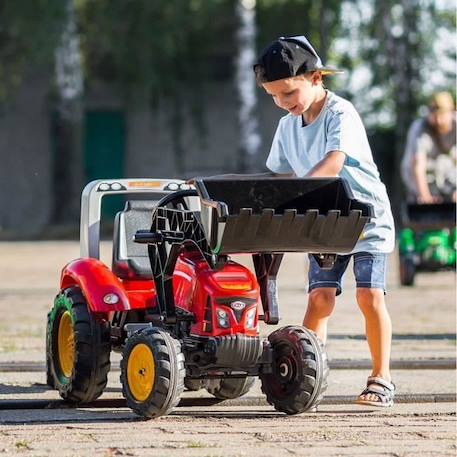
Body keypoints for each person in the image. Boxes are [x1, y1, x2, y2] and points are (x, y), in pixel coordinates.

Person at [253, 35, 396, 407]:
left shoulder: (340, 113)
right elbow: (277, 178)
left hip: (366, 220)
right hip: (325, 223)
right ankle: (306, 376)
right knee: (319, 299)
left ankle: (381, 379)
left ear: (316, 78)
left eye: (287, 93)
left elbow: (334, 164)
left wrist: (297, 197)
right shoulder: (287, 127)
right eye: (273, 96)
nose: (282, 103)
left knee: (369, 296)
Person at [401, 91, 456, 203]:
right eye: (435, 116)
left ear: (452, 112)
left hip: (447, 174)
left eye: (442, 115)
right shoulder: (420, 128)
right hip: (423, 177)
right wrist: (426, 198)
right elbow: (418, 165)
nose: (439, 121)